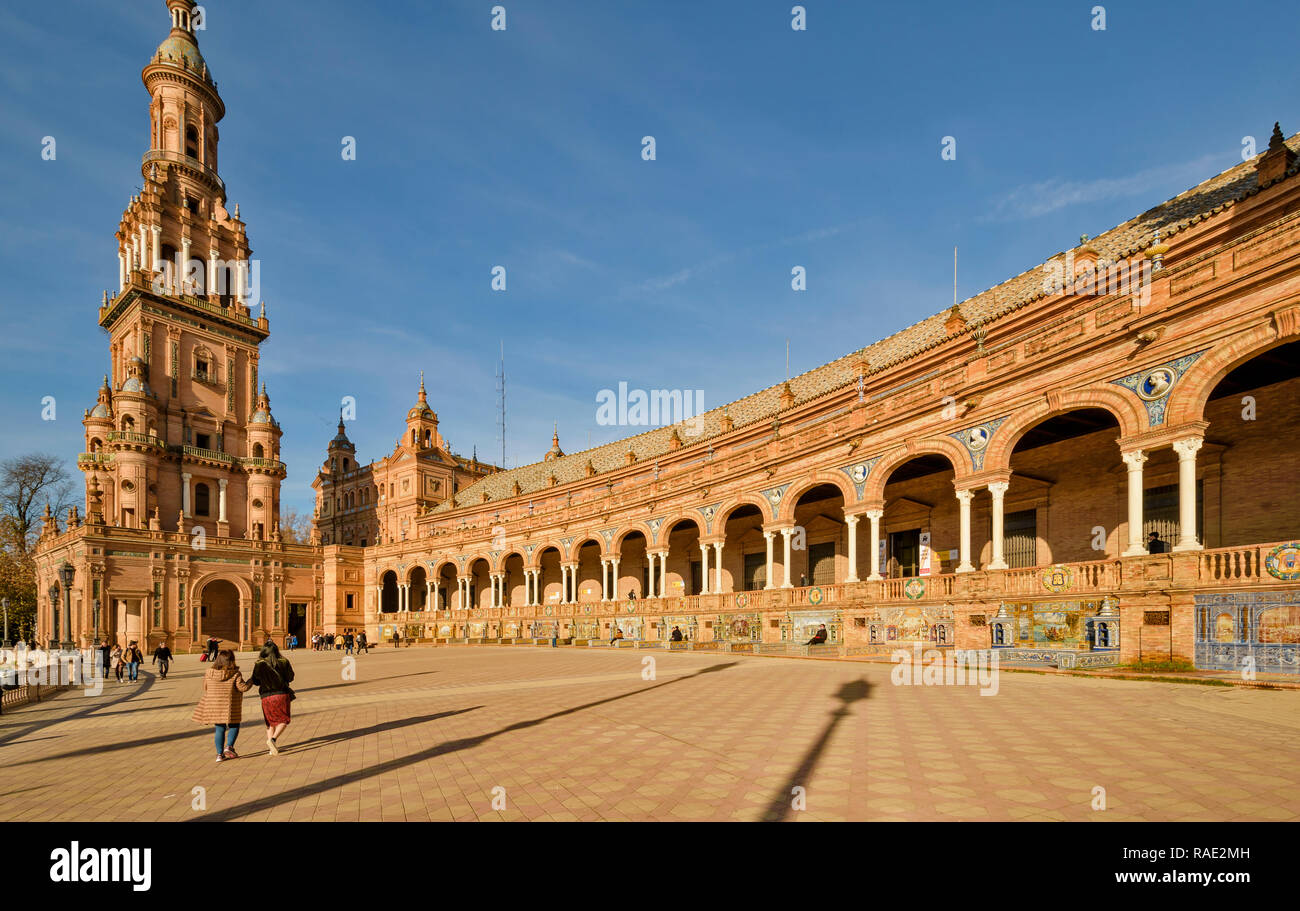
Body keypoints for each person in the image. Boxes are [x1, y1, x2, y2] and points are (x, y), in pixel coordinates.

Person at [191, 649, 251, 761]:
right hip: (230, 705)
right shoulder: (235, 673)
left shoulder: (209, 672)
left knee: (219, 728)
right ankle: (229, 747)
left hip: (214, 705)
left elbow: (205, 687)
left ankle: (219, 755)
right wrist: (252, 680)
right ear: (232, 660)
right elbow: (243, 687)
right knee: (234, 725)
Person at [245, 641, 295, 756]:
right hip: (281, 694)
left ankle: (271, 749)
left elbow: (256, 681)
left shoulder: (259, 664)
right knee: (284, 720)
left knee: (270, 722)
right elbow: (291, 677)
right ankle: (273, 740)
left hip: (266, 697)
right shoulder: (284, 661)